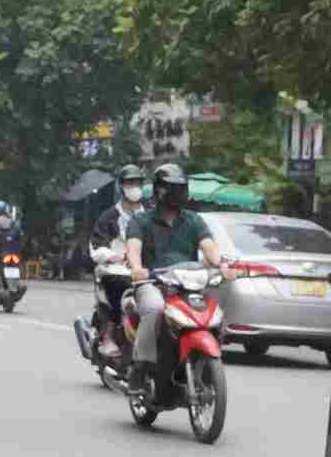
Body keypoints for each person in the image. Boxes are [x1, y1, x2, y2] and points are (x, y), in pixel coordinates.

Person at [121, 163, 229, 394]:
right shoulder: (140, 221)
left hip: (187, 286)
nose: (178, 193)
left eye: (181, 188)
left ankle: (204, 359)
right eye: (173, 189)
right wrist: (138, 268)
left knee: (212, 311)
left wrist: (222, 264)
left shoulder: (194, 221)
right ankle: (140, 368)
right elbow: (133, 250)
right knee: (155, 308)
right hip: (152, 284)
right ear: (160, 191)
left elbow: (210, 249)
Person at [89, 164, 148, 357]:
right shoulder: (109, 217)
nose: (134, 187)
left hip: (146, 269)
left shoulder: (151, 216)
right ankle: (109, 334)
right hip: (116, 269)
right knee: (117, 287)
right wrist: (114, 256)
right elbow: (96, 247)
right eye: (130, 183)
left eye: (138, 182)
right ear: (121, 186)